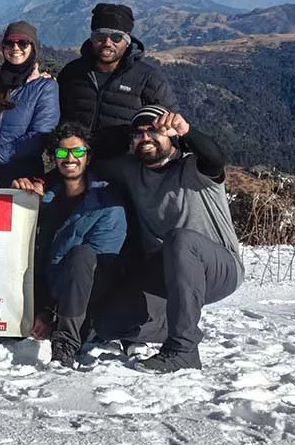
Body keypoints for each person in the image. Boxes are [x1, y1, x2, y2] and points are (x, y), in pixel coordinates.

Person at [93, 105, 244, 372]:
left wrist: (188, 132)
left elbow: (214, 157)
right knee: (108, 324)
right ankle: (175, 326)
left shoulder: (193, 167)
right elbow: (86, 165)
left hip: (220, 267)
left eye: (154, 131)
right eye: (138, 134)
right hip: (168, 270)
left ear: (172, 137)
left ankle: (184, 349)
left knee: (181, 240)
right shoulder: (131, 170)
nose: (146, 138)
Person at [13, 122, 127, 368]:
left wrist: (52, 315)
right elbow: (39, 260)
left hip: (92, 299)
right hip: (54, 296)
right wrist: (20, 199)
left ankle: (65, 345)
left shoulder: (108, 204)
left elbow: (103, 267)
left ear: (89, 156)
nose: (70, 158)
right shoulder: (46, 200)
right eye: (62, 152)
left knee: (82, 255)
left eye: (78, 151)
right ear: (54, 158)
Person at [57, 3, 178, 159]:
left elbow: (171, 128)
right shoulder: (72, 73)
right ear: (92, 38)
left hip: (126, 169)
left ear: (127, 40)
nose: (107, 43)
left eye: (116, 37)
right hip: (76, 163)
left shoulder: (149, 78)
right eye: (100, 36)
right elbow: (56, 119)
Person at [0, 21, 59, 188]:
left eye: (23, 43)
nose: (16, 47)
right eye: (9, 43)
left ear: (33, 47)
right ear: (2, 47)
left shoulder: (45, 87)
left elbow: (40, 135)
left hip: (20, 181)